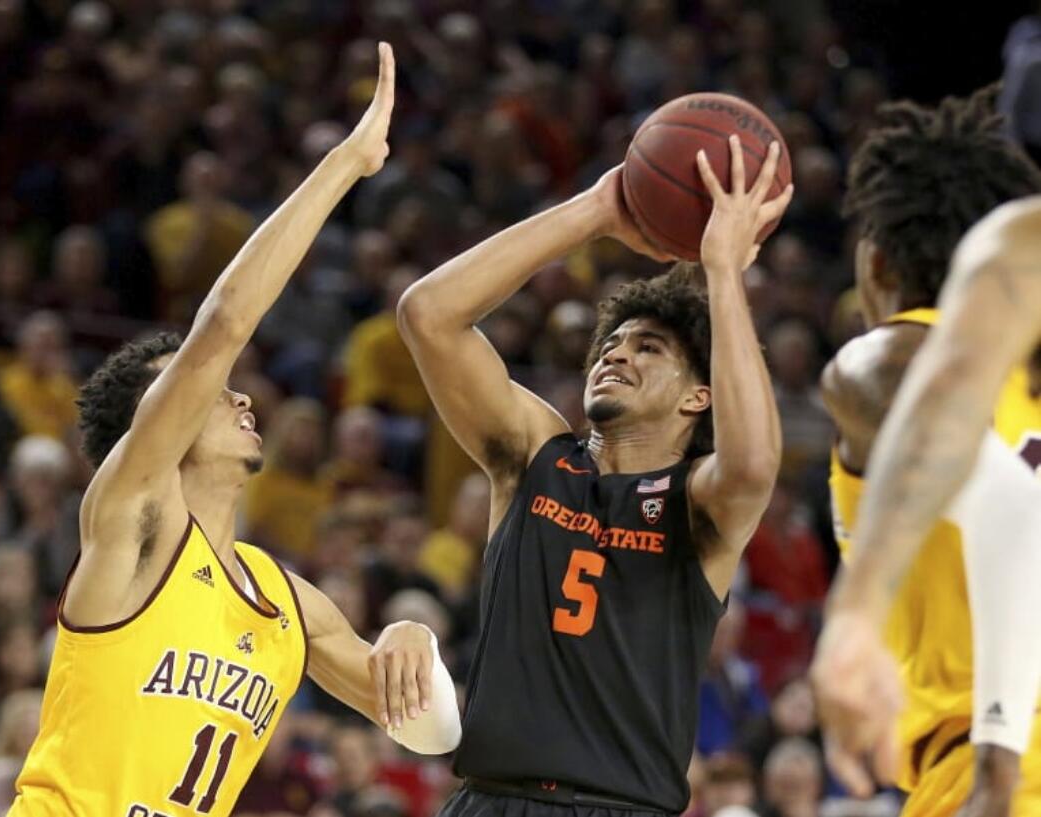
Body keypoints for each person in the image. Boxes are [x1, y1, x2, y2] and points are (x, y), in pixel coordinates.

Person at [9, 44, 461, 817]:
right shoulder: (134, 520)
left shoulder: (287, 600)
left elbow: (429, 732)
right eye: (210, 394)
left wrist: (412, 634)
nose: (241, 397)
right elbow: (221, 326)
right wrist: (348, 163)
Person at [398, 134, 791, 815]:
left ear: (699, 396)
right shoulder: (536, 456)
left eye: (649, 347)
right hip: (491, 798)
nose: (616, 355)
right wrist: (596, 208)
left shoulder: (697, 503)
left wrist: (724, 272)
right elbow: (428, 315)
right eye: (610, 344)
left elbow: (754, 463)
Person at [808, 89, 1041, 817]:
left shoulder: (893, 352)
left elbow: (999, 489)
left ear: (875, 264)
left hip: (995, 771)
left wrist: (854, 612)